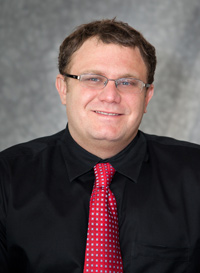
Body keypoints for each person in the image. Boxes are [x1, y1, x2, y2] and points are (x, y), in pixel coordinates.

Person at [0, 18, 200, 273]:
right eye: (93, 78)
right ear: (63, 89)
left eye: (127, 82)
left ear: (147, 96)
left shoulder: (195, 174)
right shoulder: (7, 176)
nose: (110, 96)